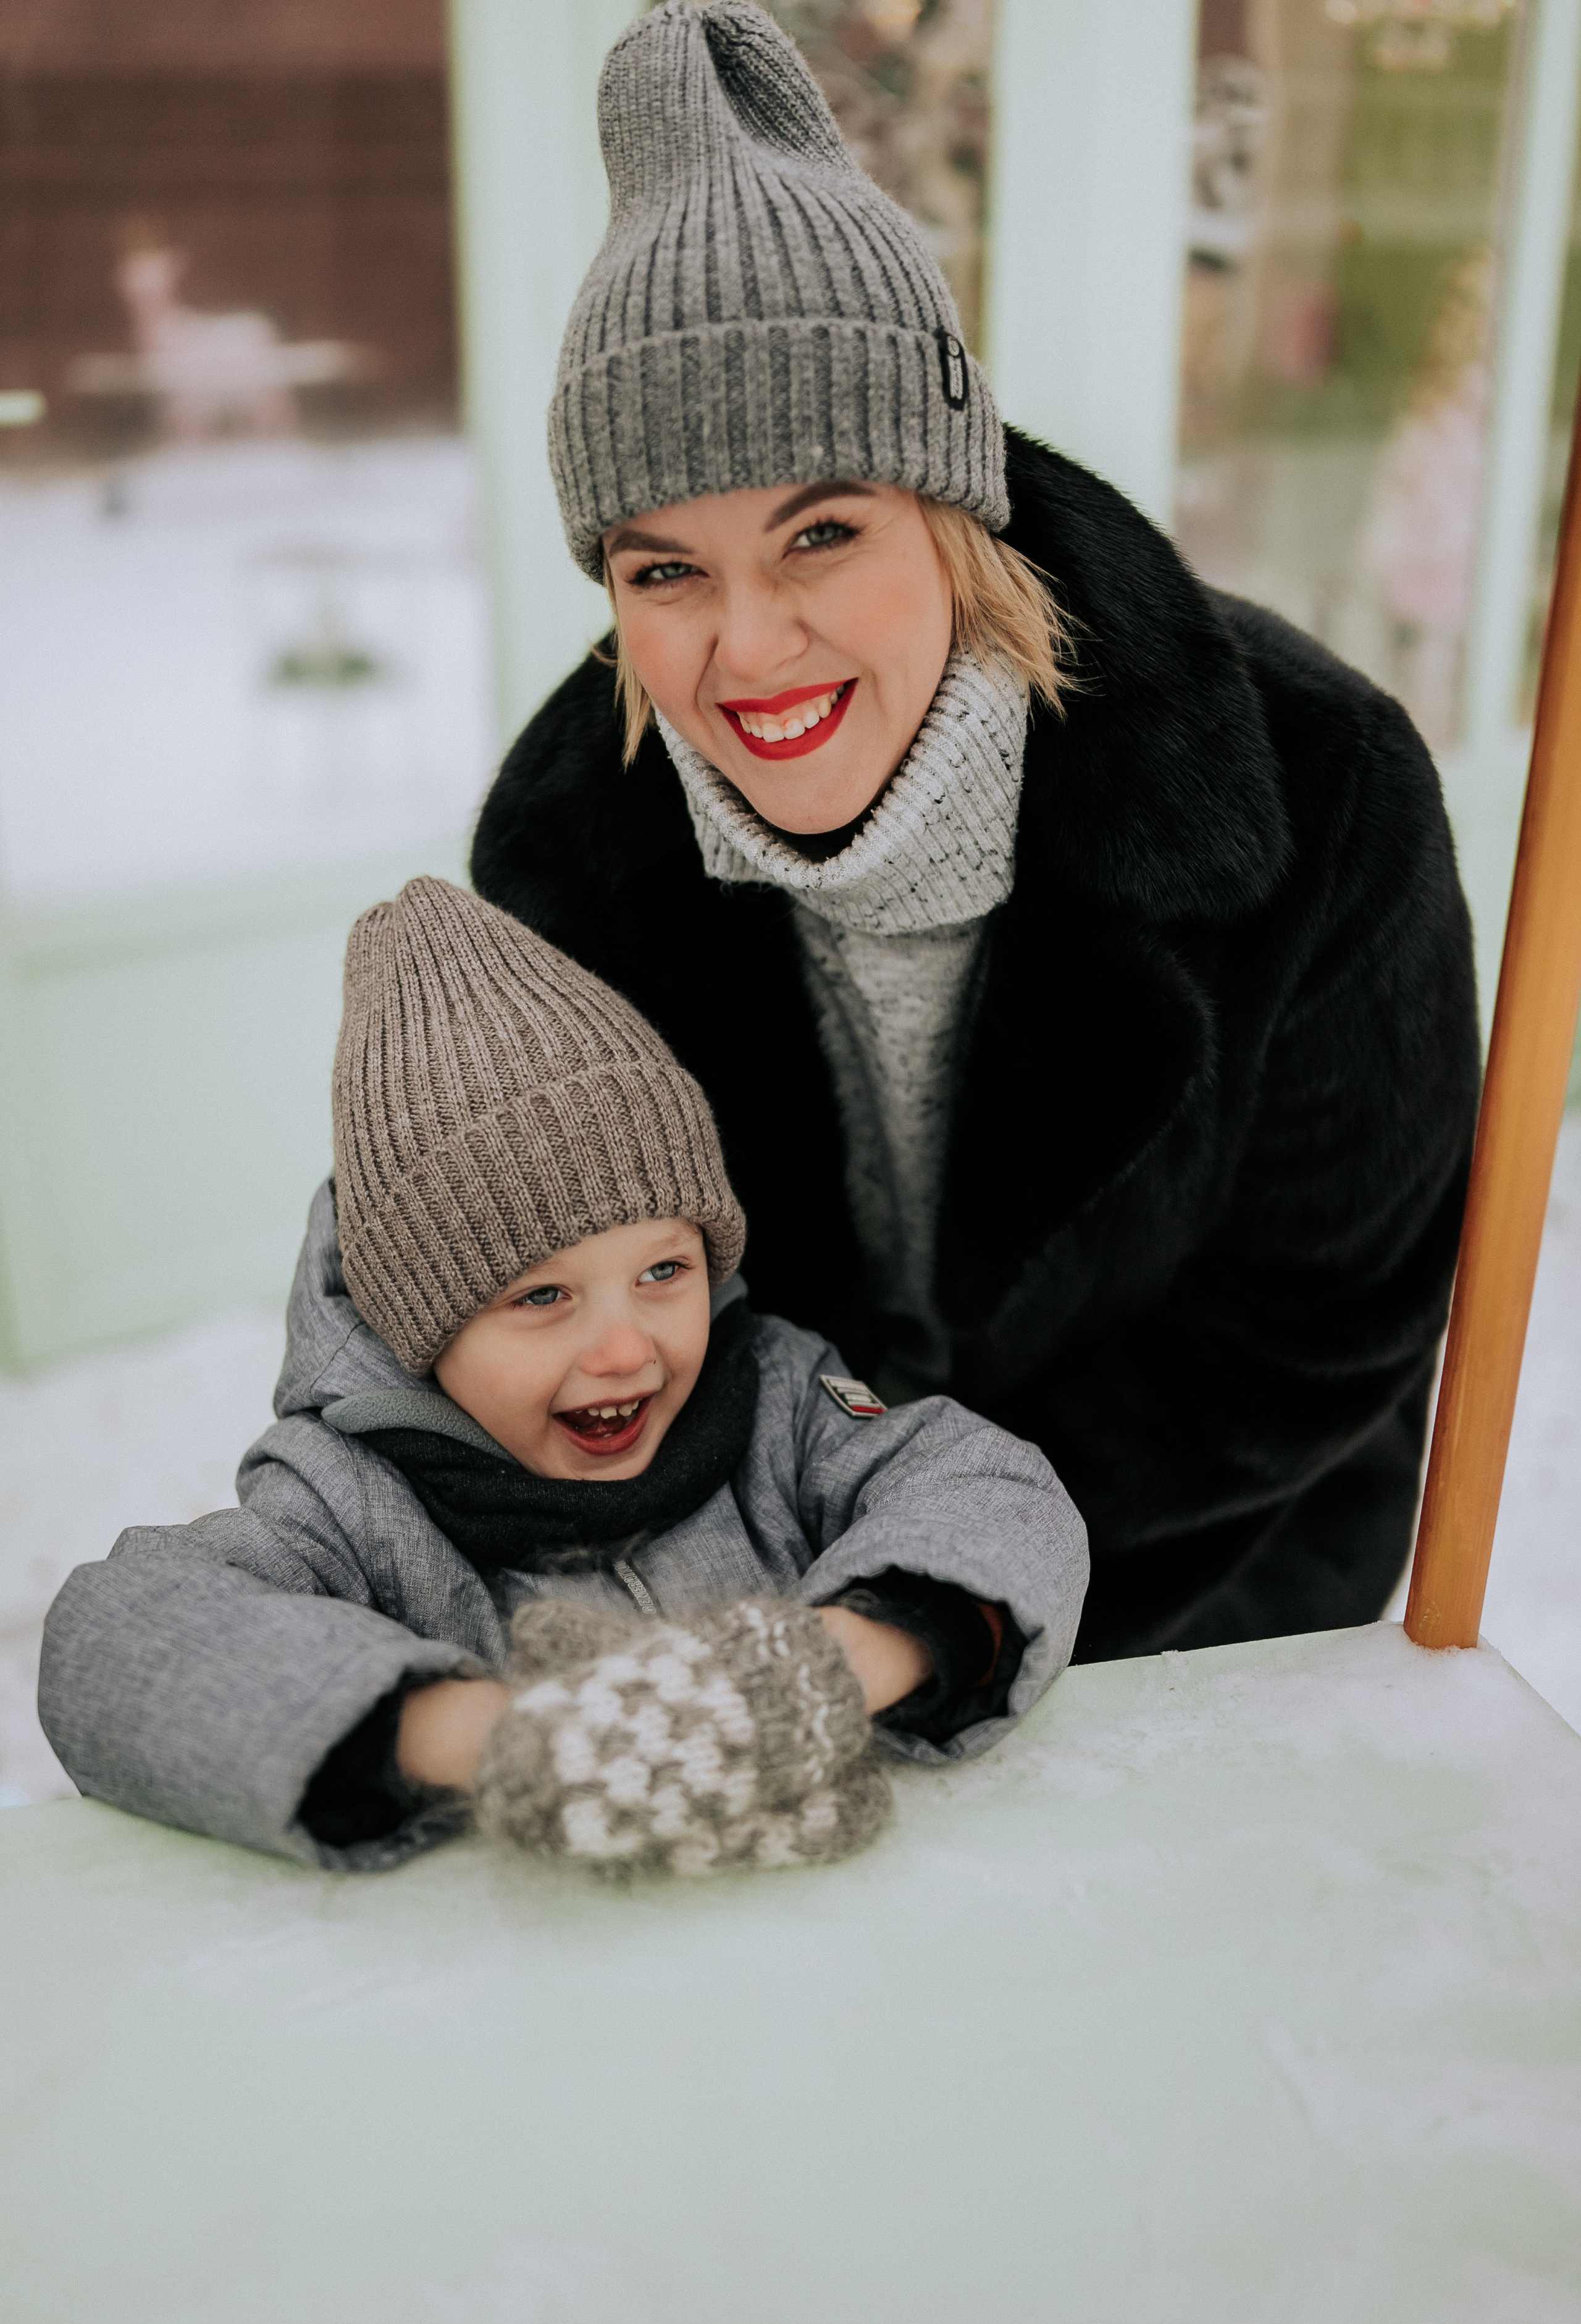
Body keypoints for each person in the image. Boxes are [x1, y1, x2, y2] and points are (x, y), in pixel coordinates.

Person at [471, 1, 1480, 1662]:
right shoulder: (566, 861)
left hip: (1198, 1580)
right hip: (776, 1582)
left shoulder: (1320, 791)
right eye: (665, 571)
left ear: (954, 509)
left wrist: (939, 1579)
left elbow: (1322, 1321)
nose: (750, 646)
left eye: (820, 533)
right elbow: (555, 1305)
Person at [38, 878, 1086, 1874]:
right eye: (542, 1297)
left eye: (664, 1272)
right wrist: (499, 1737)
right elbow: (115, 1641)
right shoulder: (348, 1496)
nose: (625, 1351)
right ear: (422, 1327)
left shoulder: (776, 1395)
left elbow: (992, 1491)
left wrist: (829, 1668)